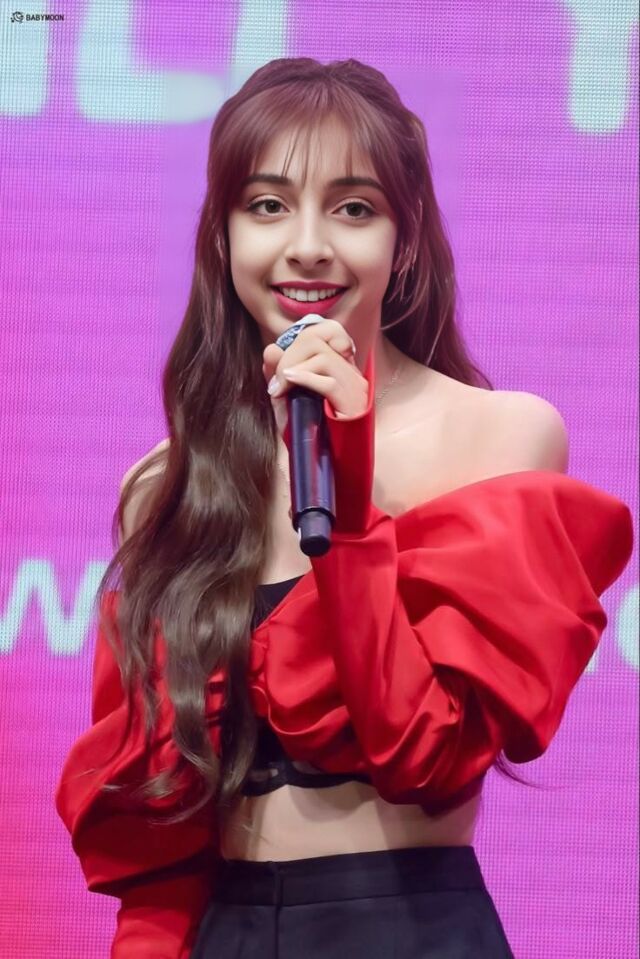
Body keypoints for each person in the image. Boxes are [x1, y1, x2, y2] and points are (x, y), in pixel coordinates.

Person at [55, 58, 634, 959]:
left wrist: (349, 500)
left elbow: (425, 754)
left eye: (354, 209)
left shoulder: (499, 436)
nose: (308, 246)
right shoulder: (165, 485)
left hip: (407, 927)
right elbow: (160, 842)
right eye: (267, 205)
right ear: (222, 239)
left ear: (406, 240)